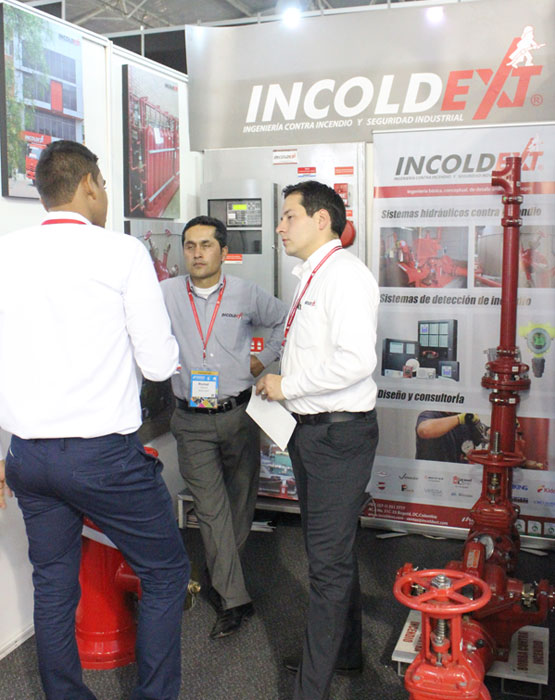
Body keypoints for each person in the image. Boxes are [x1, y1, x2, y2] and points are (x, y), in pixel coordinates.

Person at [0, 140, 189, 700]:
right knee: (165, 572)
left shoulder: (6, 252)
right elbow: (158, 363)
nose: (104, 194)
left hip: (27, 455)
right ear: (88, 185)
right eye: (104, 184)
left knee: (52, 585)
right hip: (102, 457)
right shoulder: (122, 252)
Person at [255, 181, 380, 700]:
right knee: (332, 553)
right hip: (313, 433)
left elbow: (357, 361)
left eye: (289, 216)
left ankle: (311, 689)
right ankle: (344, 654)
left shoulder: (344, 275)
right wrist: (276, 379)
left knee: (326, 566)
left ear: (322, 220)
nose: (279, 227)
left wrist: (288, 385)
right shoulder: (313, 274)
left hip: (337, 436)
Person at [161, 215, 287, 640]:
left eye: (206, 245)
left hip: (239, 414)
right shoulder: (165, 294)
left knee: (240, 503)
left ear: (223, 251)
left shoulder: (245, 293)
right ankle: (235, 599)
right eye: (190, 245)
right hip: (190, 420)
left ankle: (220, 574)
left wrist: (263, 359)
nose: (197, 253)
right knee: (211, 510)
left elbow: (284, 321)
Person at [415, 411, 485, 463]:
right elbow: (424, 430)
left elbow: (486, 435)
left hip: (459, 474)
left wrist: (477, 422)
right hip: (433, 474)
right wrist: (460, 418)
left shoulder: (467, 419)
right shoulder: (429, 415)